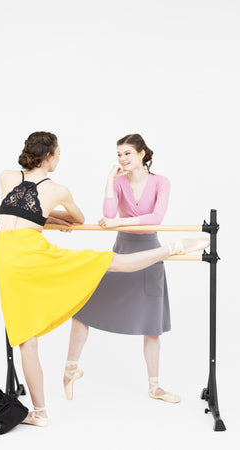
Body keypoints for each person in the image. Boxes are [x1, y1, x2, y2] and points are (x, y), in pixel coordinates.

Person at [0, 131, 209, 427]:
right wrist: (53, 216)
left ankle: (41, 412)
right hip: (33, 253)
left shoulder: (7, 176)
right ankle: (173, 247)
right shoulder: (58, 189)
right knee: (107, 263)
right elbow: (79, 219)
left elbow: (12, 209)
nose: (59, 158)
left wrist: (46, 217)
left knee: (25, 339)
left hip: (5, 257)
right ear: (48, 157)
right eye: (58, 154)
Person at [65, 134, 189, 404]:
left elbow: (156, 219)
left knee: (152, 324)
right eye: (119, 154)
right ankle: (70, 369)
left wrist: (121, 221)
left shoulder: (161, 182)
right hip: (122, 251)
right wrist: (109, 180)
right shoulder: (119, 182)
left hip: (150, 252)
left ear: (142, 153)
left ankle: (155, 386)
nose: (122, 158)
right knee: (84, 308)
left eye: (128, 153)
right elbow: (108, 215)